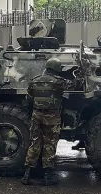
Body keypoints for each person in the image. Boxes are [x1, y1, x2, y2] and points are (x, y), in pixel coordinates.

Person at [21, 58, 73, 186]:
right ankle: (48, 176)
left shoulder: (34, 81)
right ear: (56, 69)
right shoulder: (59, 82)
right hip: (52, 117)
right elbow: (73, 85)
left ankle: (27, 174)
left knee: (34, 144)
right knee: (50, 144)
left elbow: (28, 99)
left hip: (36, 116)